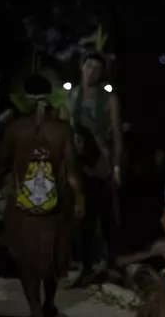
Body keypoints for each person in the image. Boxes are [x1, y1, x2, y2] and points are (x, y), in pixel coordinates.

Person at [0, 74, 84, 317]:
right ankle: (48, 304)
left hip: (21, 207)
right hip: (55, 207)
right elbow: (73, 174)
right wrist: (79, 201)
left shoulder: (15, 129)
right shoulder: (62, 131)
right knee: (54, 255)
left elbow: (2, 164)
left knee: (27, 260)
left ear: (25, 97)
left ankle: (35, 308)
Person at [59, 27, 124, 286]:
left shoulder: (109, 100)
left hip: (101, 164)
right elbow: (63, 129)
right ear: (81, 68)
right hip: (77, 163)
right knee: (80, 216)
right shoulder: (71, 95)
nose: (92, 71)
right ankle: (85, 265)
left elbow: (117, 134)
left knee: (106, 215)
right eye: (88, 66)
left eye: (97, 68)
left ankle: (109, 264)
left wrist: (117, 166)